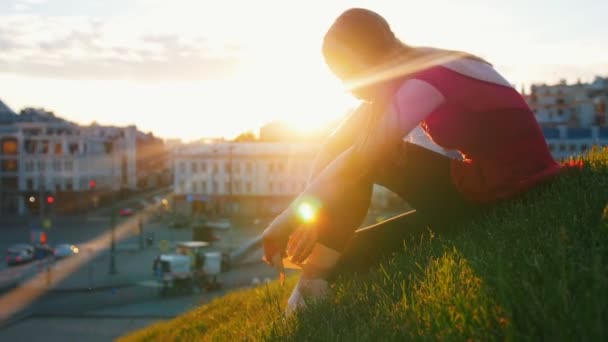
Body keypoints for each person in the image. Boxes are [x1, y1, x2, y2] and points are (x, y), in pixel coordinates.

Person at [262, 8, 563, 314]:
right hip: (487, 189)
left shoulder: (429, 78)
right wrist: (314, 218)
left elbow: (359, 159)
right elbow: (333, 145)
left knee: (376, 159)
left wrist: (283, 221)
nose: (349, 90)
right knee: (347, 257)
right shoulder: (414, 71)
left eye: (348, 75)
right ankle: (318, 278)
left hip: (511, 189)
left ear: (370, 60)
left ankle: (313, 283)